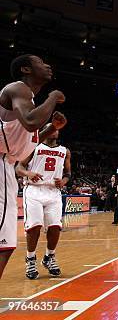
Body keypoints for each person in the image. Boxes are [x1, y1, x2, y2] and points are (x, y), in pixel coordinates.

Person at [0, 54, 66, 279]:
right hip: (3, 163)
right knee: (4, 243)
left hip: (8, 164)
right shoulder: (19, 89)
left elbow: (27, 142)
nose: (47, 65)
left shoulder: (26, 100)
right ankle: (33, 259)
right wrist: (54, 97)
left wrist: (51, 128)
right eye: (40, 62)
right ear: (26, 69)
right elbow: (30, 122)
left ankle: (47, 256)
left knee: (6, 244)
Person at [16, 124, 71, 279]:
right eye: (51, 128)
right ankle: (30, 259)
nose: (55, 130)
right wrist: (28, 172)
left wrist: (64, 181)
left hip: (53, 191)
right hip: (34, 190)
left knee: (55, 227)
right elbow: (18, 168)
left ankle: (49, 257)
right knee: (34, 227)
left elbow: (68, 173)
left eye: (57, 129)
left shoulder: (65, 151)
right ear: (44, 131)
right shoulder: (34, 147)